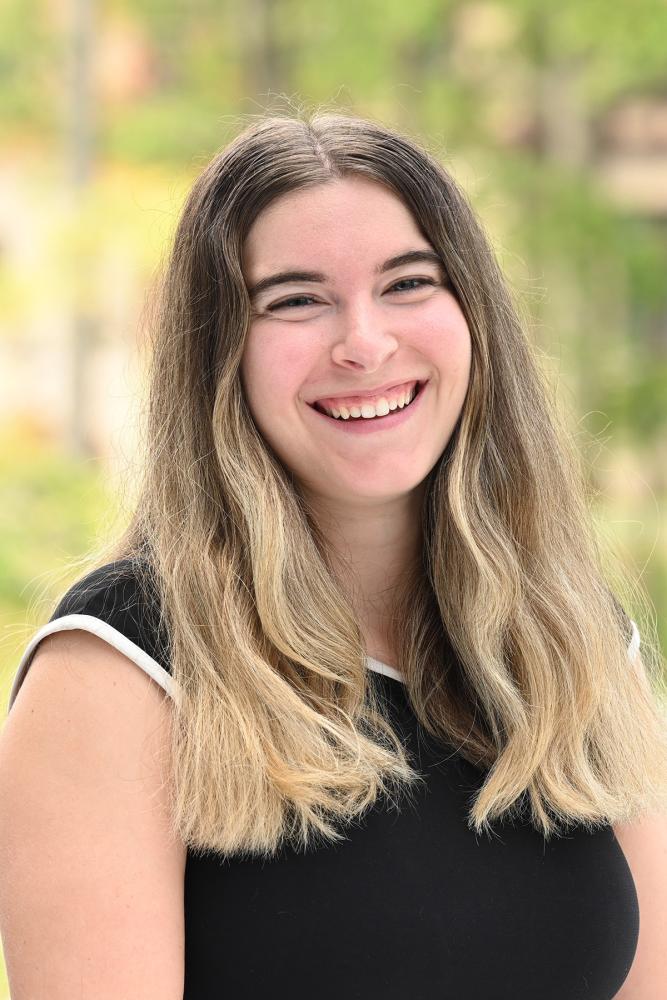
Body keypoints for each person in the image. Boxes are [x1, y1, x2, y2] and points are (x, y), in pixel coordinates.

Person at [0, 111, 665, 999]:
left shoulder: (575, 645)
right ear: (217, 355)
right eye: (295, 300)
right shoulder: (120, 672)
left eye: (407, 283)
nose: (363, 342)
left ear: (473, 316)